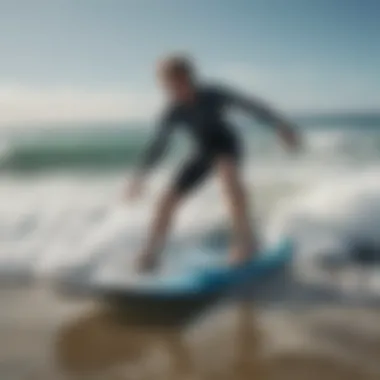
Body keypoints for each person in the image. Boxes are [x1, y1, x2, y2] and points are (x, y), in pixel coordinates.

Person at [127, 55, 301, 272]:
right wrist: (140, 176)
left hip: (226, 145)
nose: (171, 90)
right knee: (166, 200)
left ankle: (246, 243)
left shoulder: (212, 95)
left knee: (229, 183)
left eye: (174, 83)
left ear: (187, 78)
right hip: (203, 151)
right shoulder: (173, 110)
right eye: (166, 86)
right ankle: (151, 254)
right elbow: (159, 145)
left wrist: (280, 125)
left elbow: (250, 106)